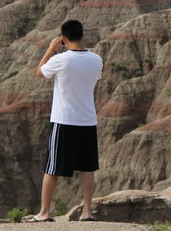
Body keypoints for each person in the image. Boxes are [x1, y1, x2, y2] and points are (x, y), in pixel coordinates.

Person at [31, 20, 103, 222]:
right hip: (87, 120)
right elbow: (95, 78)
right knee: (87, 168)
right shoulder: (96, 60)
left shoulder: (61, 59)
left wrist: (50, 49)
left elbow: (40, 72)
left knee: (52, 168)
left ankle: (44, 212)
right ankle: (87, 212)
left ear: (63, 38)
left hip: (64, 120)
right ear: (82, 35)